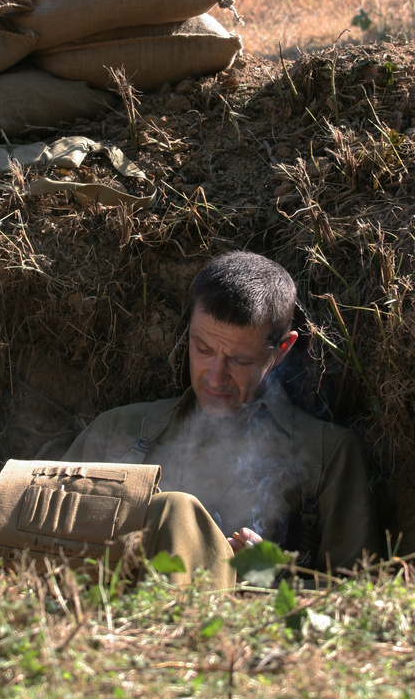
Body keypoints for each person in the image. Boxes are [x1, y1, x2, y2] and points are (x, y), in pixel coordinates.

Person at [60, 251, 379, 585]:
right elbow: (36, 539)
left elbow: (358, 595)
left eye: (239, 360)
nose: (214, 377)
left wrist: (273, 576)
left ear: (282, 349)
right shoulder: (117, 431)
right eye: (203, 349)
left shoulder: (326, 456)